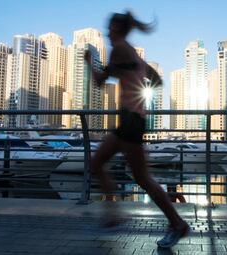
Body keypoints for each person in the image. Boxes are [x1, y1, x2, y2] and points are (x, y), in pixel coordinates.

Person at [85, 11, 190, 248]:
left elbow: (100, 81)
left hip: (131, 120)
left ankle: (176, 223)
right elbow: (156, 80)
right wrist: (134, 78)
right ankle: (113, 215)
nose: (107, 33)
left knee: (142, 179)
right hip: (130, 120)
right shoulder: (133, 55)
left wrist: (88, 61)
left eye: (110, 29)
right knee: (98, 164)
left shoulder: (120, 48)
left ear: (118, 30)